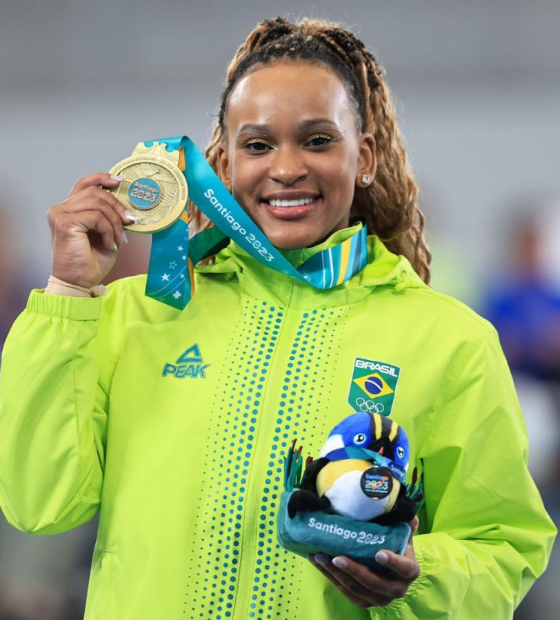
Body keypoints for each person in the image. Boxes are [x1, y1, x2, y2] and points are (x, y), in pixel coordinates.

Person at [0, 16, 556, 620]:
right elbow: (38, 502)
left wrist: (422, 577)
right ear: (224, 161)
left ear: (363, 155)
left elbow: (504, 545)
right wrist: (67, 294)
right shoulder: (141, 314)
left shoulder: (451, 342)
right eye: (258, 145)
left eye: (318, 139)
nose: (286, 168)